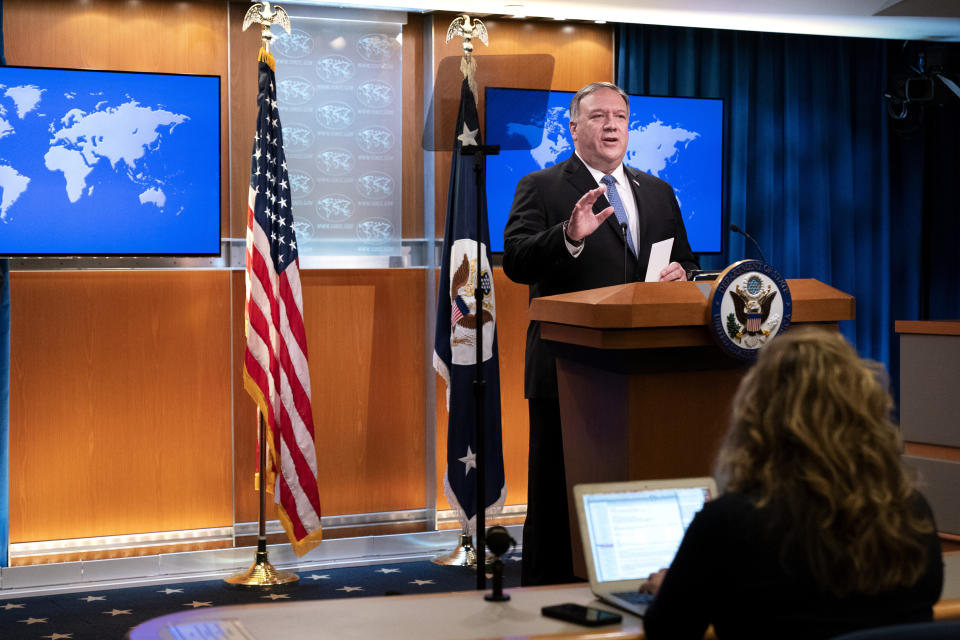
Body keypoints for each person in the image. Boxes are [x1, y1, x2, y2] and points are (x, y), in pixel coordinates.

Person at [503, 81, 699, 586]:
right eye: (598, 117)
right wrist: (567, 235)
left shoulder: (657, 191)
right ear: (573, 127)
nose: (611, 125)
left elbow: (686, 260)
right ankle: (547, 596)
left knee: (639, 480)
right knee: (558, 490)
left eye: (620, 117)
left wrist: (682, 272)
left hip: (647, 369)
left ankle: (638, 581)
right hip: (568, 369)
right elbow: (518, 262)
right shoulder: (542, 187)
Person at [640, 328, 944, 639]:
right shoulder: (911, 513)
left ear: (757, 415)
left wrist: (669, 588)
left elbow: (667, 632)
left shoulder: (727, 523)